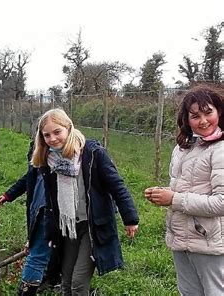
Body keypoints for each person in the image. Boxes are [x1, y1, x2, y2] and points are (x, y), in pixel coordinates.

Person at [31, 108, 139, 296]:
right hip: (68, 227)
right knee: (65, 282)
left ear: (69, 128)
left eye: (57, 132)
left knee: (78, 284)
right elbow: (51, 203)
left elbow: (117, 186)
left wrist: (130, 218)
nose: (53, 139)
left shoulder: (92, 153)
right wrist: (50, 233)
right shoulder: (49, 161)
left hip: (92, 226)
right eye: (47, 135)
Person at [144, 86, 224, 296]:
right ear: (186, 120)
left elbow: (222, 202)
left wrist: (174, 199)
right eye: (195, 116)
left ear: (219, 112)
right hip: (181, 235)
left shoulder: (221, 150)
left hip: (210, 239)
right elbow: (183, 187)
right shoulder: (182, 148)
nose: (203, 121)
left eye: (208, 112)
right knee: (188, 292)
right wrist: (163, 193)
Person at [0, 140, 58, 295]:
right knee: (41, 252)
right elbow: (29, 177)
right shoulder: (39, 150)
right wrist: (9, 194)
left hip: (49, 211)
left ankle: (41, 283)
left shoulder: (58, 156)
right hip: (42, 210)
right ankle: (44, 281)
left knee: (38, 255)